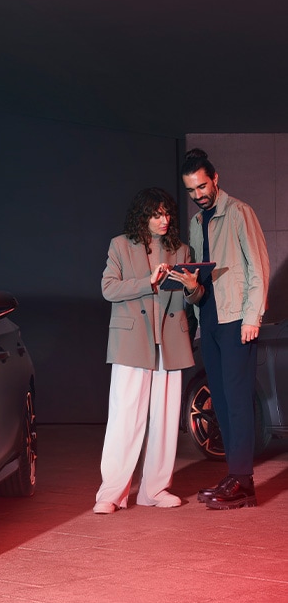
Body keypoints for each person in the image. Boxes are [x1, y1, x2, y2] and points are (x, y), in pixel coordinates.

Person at [170, 148, 269, 510]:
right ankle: (236, 477)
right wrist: (189, 288)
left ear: (216, 178)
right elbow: (200, 280)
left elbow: (258, 268)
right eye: (192, 190)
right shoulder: (197, 224)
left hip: (235, 321)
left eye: (202, 186)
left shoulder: (240, 213)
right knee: (222, 402)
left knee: (239, 400)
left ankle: (243, 481)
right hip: (209, 321)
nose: (199, 194)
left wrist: (252, 318)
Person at [94, 188, 195, 513]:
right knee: (125, 417)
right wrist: (147, 282)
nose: (164, 220)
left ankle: (154, 490)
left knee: (165, 420)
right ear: (143, 216)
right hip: (133, 342)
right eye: (156, 214)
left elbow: (191, 300)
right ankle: (111, 493)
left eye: (167, 214)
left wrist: (194, 288)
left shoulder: (181, 250)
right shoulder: (120, 245)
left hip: (170, 341)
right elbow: (108, 288)